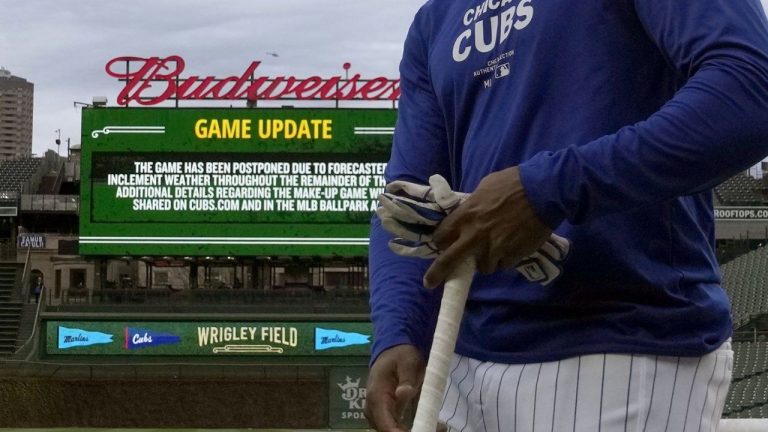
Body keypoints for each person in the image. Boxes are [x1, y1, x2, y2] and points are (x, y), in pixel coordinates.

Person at [365, 1, 768, 431]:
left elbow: (750, 90)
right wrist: (399, 331)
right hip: (462, 360)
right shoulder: (436, 18)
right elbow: (407, 198)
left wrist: (548, 189)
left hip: (620, 342)